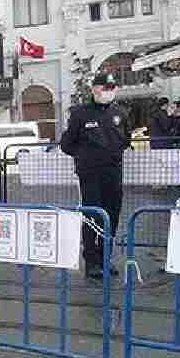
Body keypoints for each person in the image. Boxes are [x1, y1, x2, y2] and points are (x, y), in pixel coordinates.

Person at [60, 72, 132, 279]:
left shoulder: (121, 113)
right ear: (94, 89)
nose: (108, 92)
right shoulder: (80, 113)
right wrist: (85, 156)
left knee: (112, 216)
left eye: (112, 88)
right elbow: (67, 144)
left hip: (113, 173)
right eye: (104, 88)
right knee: (92, 216)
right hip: (90, 175)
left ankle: (104, 258)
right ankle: (91, 261)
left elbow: (125, 140)